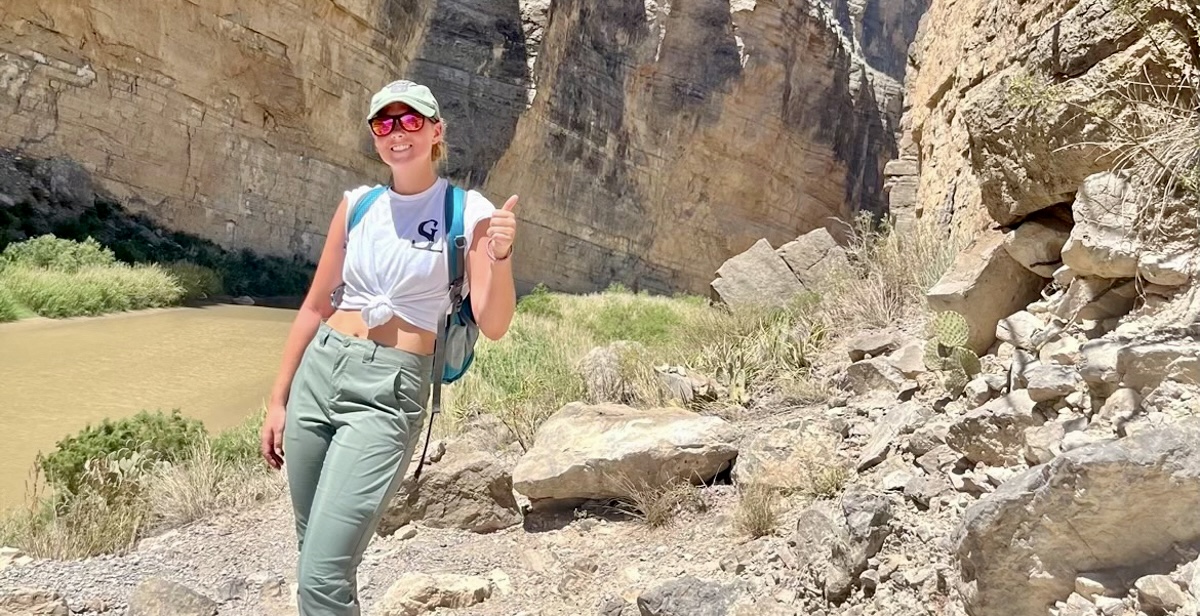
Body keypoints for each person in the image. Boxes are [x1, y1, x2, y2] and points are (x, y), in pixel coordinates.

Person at [259, 79, 518, 616]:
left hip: (388, 391)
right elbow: (315, 307)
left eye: (410, 121)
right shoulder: (357, 205)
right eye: (384, 123)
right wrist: (279, 398)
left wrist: (500, 254)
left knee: (323, 572)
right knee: (315, 559)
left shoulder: (467, 211)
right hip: (320, 372)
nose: (397, 133)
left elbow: (493, 324)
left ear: (436, 131)